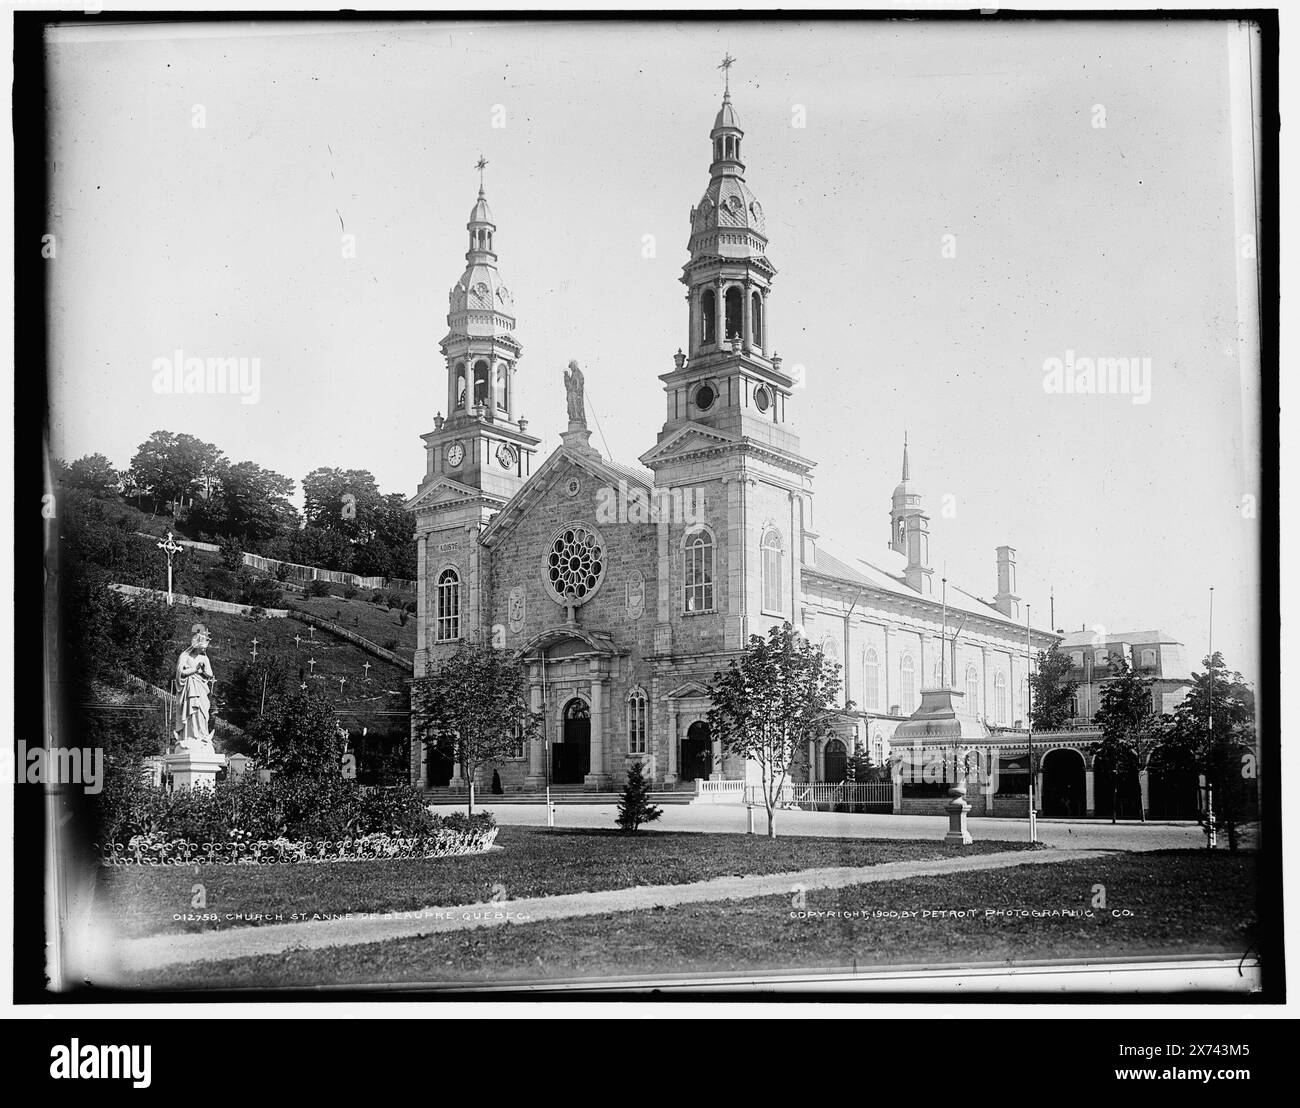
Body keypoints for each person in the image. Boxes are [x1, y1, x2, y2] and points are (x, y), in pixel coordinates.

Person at [174, 623, 216, 750]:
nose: (204, 649)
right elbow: (181, 673)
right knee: (191, 711)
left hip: (201, 688)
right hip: (190, 688)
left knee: (203, 711)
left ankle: (202, 735)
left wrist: (202, 671)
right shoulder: (185, 657)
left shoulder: (205, 658)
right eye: (203, 647)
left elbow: (210, 674)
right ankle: (190, 735)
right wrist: (195, 669)